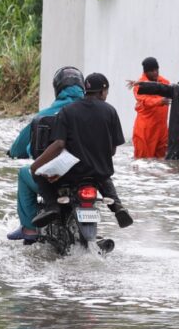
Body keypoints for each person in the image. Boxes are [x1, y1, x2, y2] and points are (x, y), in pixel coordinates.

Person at [31, 73, 134, 229]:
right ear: (102, 92)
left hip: (70, 173)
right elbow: (112, 150)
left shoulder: (67, 111)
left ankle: (52, 206)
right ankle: (117, 206)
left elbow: (59, 144)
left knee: (38, 173)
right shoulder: (110, 111)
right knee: (104, 178)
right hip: (98, 172)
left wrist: (36, 166)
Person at [6, 67, 85, 243]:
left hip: (53, 179)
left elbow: (20, 147)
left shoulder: (44, 115)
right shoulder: (93, 114)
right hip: (88, 176)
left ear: (58, 89)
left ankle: (29, 228)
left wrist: (13, 153)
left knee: (24, 174)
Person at [7, 66, 85, 159]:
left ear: (57, 89)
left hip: (46, 166)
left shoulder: (42, 116)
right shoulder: (95, 113)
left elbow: (16, 151)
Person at [132, 57, 170, 158]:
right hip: (145, 129)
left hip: (162, 129)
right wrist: (160, 101)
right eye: (152, 71)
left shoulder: (164, 82)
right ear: (146, 72)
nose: (155, 72)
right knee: (143, 161)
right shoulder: (139, 85)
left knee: (162, 161)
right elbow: (145, 100)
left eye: (156, 69)